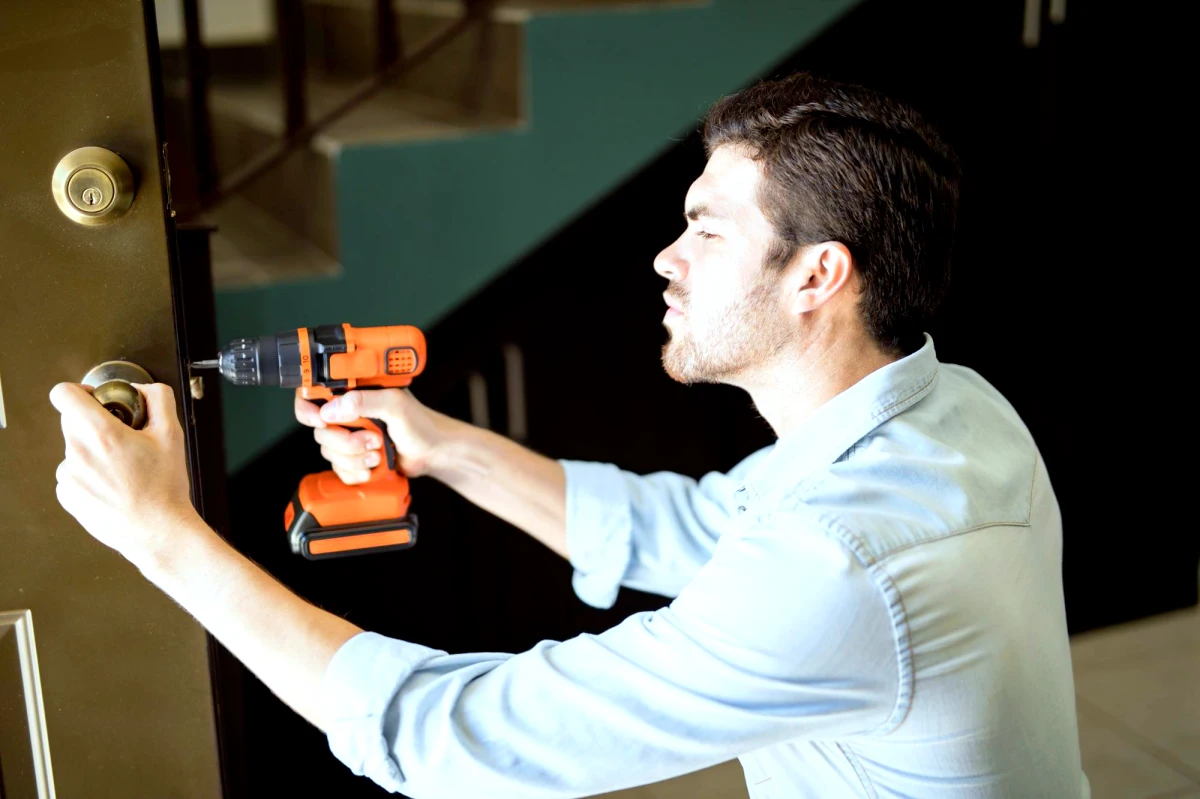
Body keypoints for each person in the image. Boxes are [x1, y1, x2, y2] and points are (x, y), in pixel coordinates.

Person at [49, 72, 1089, 798]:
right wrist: (438, 444)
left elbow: (456, 739)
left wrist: (161, 533)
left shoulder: (841, 565)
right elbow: (688, 525)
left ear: (819, 275)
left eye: (707, 231)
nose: (665, 260)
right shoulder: (952, 409)